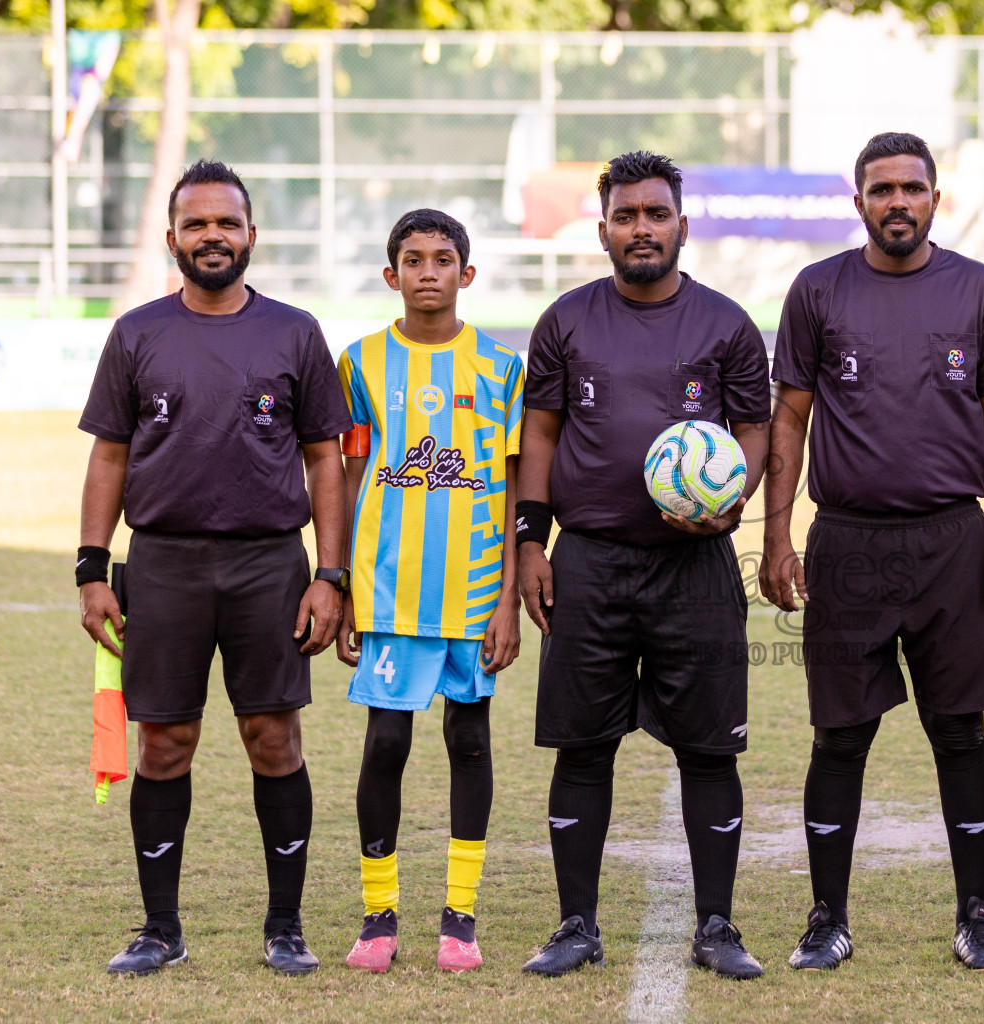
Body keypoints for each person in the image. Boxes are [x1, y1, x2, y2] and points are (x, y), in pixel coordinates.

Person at [760, 131, 984, 972]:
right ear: (859, 204)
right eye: (881, 191)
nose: (897, 203)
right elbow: (791, 417)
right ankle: (827, 918)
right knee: (839, 738)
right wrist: (776, 533)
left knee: (961, 734)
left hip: (953, 540)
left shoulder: (978, 290)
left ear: (935, 200)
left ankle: (976, 917)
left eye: (912, 189)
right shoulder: (817, 290)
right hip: (847, 544)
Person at [77, 160, 352, 976]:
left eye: (226, 224)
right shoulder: (136, 333)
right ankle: (161, 929)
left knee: (273, 736)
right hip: (162, 564)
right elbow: (109, 456)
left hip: (270, 563)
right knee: (166, 741)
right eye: (196, 225)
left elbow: (325, 462)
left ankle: (286, 926)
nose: (212, 237)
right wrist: (94, 568)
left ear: (252, 237)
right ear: (171, 239)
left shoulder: (295, 331)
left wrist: (328, 576)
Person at [514, 151, 771, 980]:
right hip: (588, 562)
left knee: (708, 751)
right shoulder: (565, 320)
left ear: (682, 225)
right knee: (583, 749)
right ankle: (575, 926)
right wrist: (530, 543)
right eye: (626, 216)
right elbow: (541, 437)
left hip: (693, 567)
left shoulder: (727, 325)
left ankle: (718, 926)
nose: (641, 229)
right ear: (603, 231)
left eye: (656, 214)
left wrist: (731, 504)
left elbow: (756, 430)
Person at [334, 210, 525, 973]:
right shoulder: (360, 364)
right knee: (386, 743)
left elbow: (513, 491)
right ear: (391, 276)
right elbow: (349, 477)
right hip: (388, 596)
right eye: (411, 260)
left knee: (468, 740)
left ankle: (460, 917)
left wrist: (508, 596)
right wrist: (342, 584)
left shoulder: (501, 369)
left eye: (443, 259)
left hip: (474, 594)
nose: (427, 272)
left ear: (466, 275)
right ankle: (379, 916)